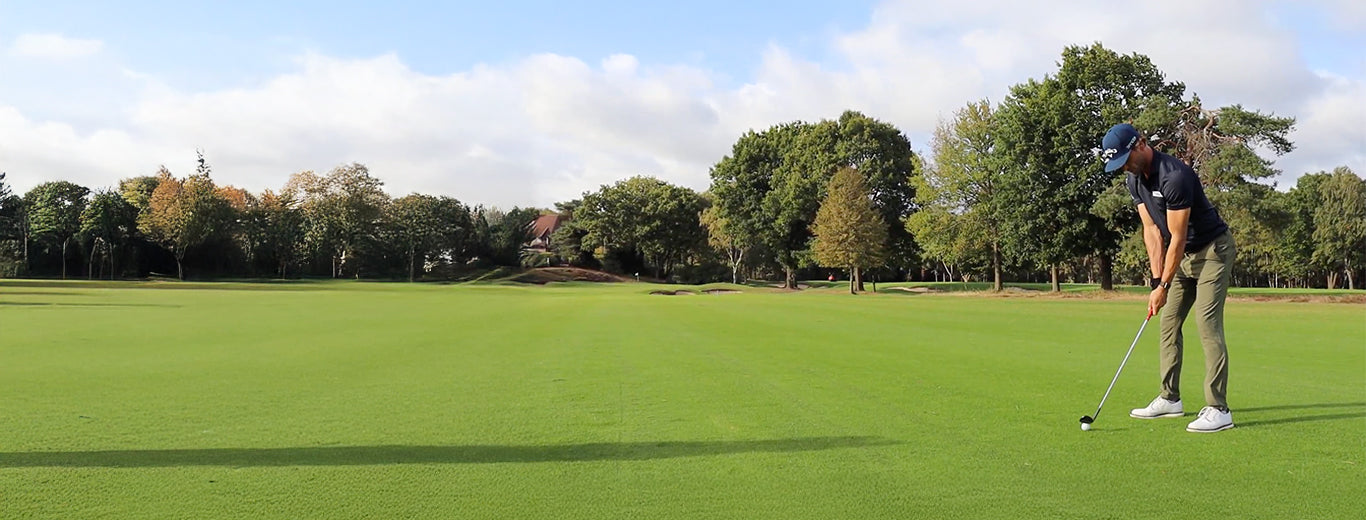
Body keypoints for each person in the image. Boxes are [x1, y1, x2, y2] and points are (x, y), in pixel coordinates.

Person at [1100, 123, 1237, 433]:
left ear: (1141, 145)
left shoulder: (1174, 176)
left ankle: (1219, 409)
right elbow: (1151, 230)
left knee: (1207, 323)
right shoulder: (1135, 181)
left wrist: (1164, 284)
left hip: (1212, 250)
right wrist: (1155, 281)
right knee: (1168, 323)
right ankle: (1170, 399)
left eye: (1125, 160)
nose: (1124, 168)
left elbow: (1175, 237)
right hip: (1183, 256)